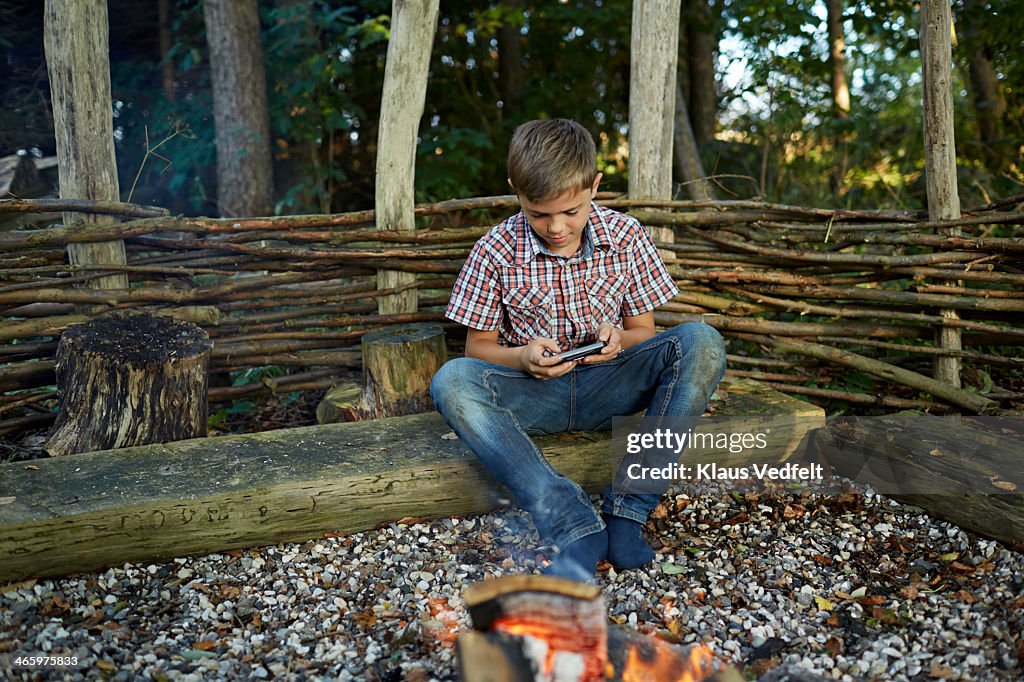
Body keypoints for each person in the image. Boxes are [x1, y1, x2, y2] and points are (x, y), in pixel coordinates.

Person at [430, 118, 726, 582]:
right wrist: (522, 355)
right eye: (538, 214)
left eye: (571, 210)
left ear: (594, 185)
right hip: (534, 394)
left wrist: (617, 341)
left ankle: (629, 511)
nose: (556, 227)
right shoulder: (494, 249)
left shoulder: (625, 236)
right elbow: (479, 349)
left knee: (701, 342)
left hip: (612, 387)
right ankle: (569, 520)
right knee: (451, 379)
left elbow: (643, 335)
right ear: (516, 192)